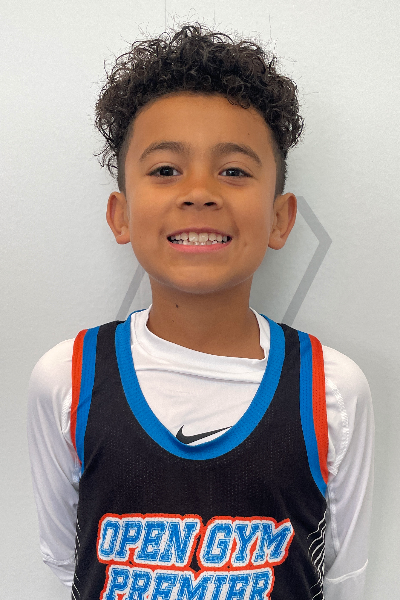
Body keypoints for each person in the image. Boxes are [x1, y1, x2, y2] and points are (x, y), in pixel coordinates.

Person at [27, 24, 374, 600]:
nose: (199, 192)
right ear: (120, 215)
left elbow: (343, 580)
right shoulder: (66, 378)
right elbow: (68, 563)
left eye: (233, 171)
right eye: (166, 170)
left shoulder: (332, 390)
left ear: (281, 218)